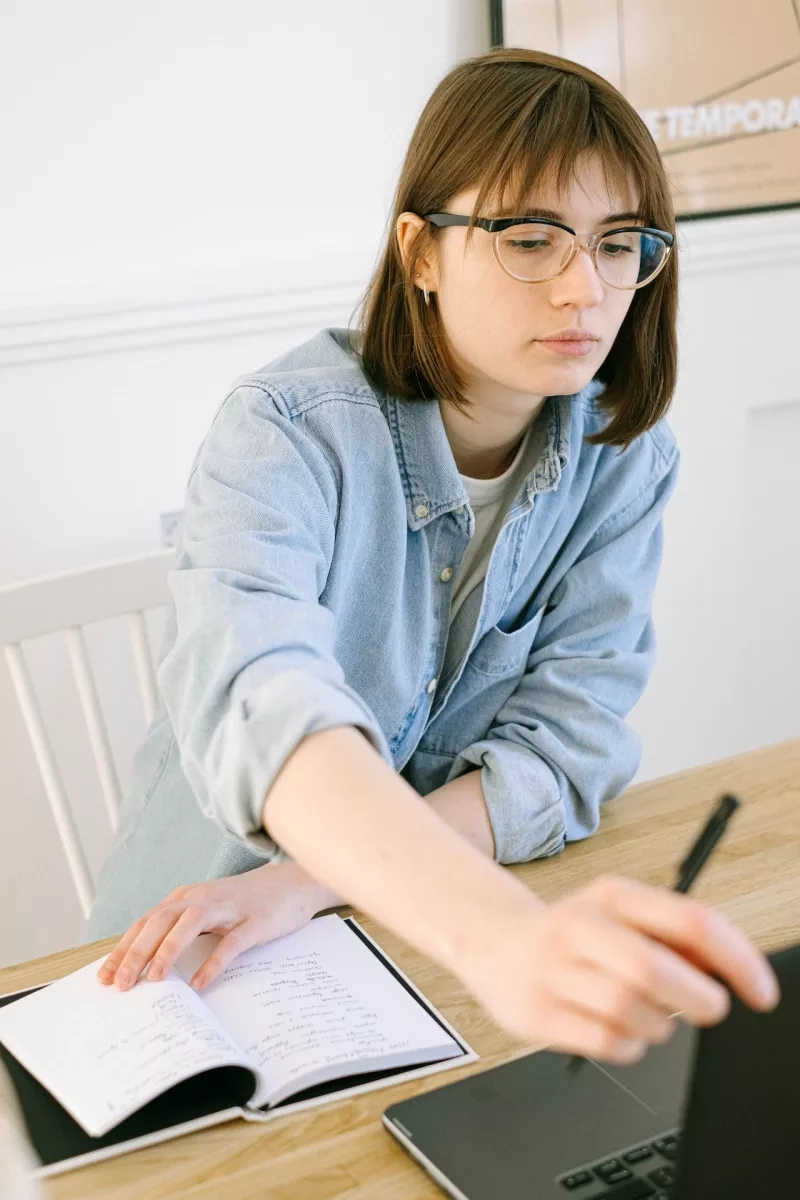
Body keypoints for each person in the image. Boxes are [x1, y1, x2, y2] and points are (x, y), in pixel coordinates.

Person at [86, 47, 780, 1063]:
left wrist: (315, 882)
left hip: (418, 953)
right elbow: (262, 694)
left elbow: (566, 745)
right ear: (417, 250)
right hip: (192, 953)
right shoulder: (285, 429)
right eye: (530, 239)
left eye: (618, 243)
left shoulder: (621, 458)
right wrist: (495, 934)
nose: (583, 288)